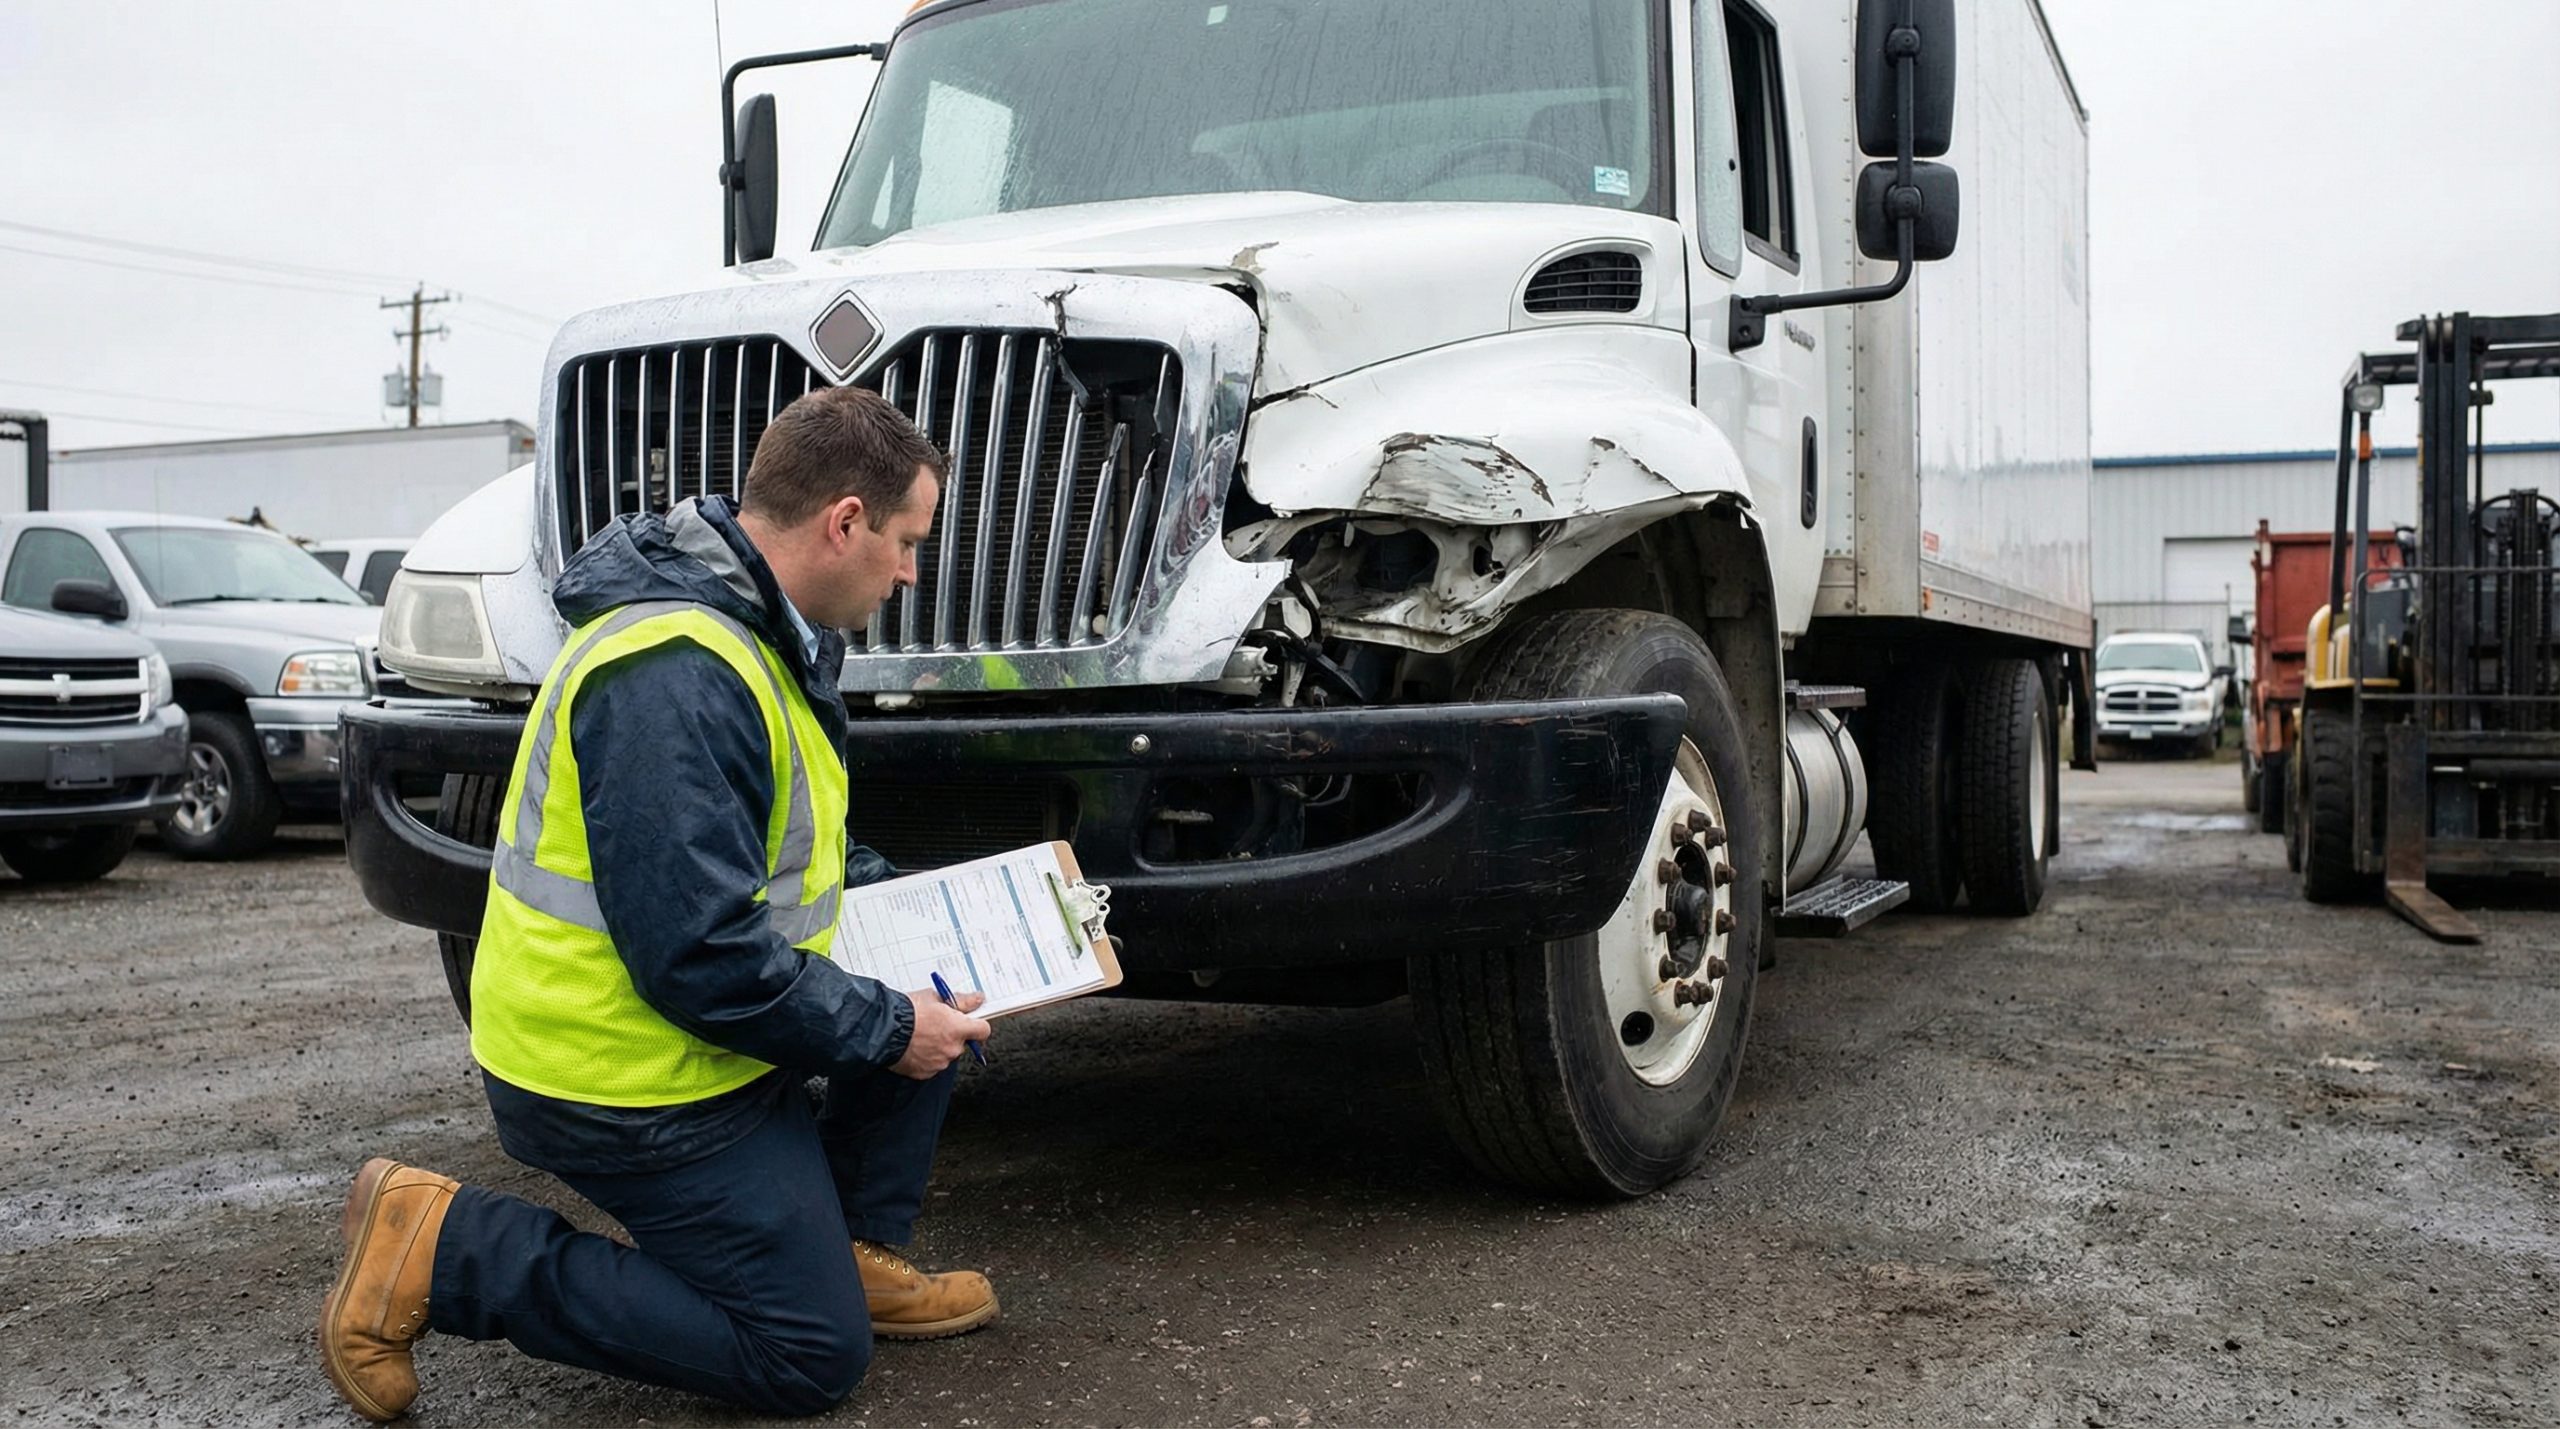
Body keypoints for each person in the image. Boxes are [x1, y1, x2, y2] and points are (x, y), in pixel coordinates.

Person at [317, 387, 997, 1421]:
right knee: (806, 1353)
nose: (909, 571)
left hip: (692, 1034)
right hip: (619, 1073)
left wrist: (957, 910)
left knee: (940, 982)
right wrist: (890, 1024)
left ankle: (841, 1251)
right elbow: (700, 955)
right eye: (906, 541)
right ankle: (444, 1246)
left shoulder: (761, 630)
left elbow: (781, 854)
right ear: (843, 521)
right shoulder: (674, 675)